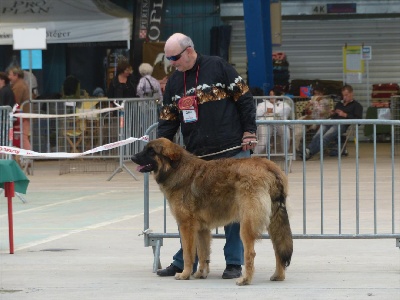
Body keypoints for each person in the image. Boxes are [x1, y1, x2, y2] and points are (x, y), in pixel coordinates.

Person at [156, 33, 257, 279]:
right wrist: (160, 148)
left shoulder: (219, 67)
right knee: (190, 214)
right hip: (197, 159)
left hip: (232, 152)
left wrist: (249, 131)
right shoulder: (173, 82)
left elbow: (244, 98)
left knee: (235, 209)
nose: (172, 62)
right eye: (169, 58)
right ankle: (185, 262)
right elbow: (169, 119)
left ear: (189, 50)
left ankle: (234, 262)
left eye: (175, 57)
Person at [301, 84, 363, 160]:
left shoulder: (357, 106)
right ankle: (308, 151)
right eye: (343, 95)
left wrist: (345, 115)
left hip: (341, 124)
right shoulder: (339, 103)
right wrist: (332, 113)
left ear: (351, 93)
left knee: (326, 137)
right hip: (331, 120)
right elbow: (334, 113)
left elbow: (359, 121)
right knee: (317, 135)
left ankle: (309, 152)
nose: (345, 97)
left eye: (346, 95)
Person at [254, 88, 292, 155]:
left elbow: (286, 111)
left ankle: (285, 154)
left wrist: (271, 112)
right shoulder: (263, 104)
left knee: (286, 135)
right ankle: (254, 155)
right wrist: (267, 113)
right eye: (270, 94)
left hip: (279, 123)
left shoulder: (283, 104)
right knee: (263, 141)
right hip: (266, 123)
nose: (272, 96)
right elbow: (257, 114)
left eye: (274, 94)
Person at [294, 85, 331, 152]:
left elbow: (325, 112)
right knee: (297, 123)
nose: (317, 95)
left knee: (301, 126)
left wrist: (317, 104)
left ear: (322, 93)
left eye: (318, 94)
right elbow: (306, 108)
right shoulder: (313, 99)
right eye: (315, 94)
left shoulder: (325, 101)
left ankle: (298, 146)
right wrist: (308, 108)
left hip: (320, 120)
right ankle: (296, 144)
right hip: (312, 118)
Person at [8, 66, 31, 150]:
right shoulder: (21, 84)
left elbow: (15, 100)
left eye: (10, 75)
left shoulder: (19, 86)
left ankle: (28, 158)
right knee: (23, 137)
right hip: (24, 115)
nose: (9, 77)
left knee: (23, 137)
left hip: (23, 116)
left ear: (16, 75)